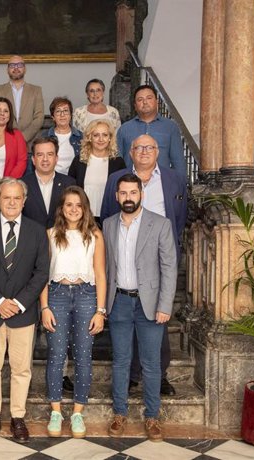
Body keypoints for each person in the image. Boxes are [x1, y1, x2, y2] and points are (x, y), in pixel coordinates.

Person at [100, 134, 187, 396]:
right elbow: (107, 213)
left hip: (158, 254)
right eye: (139, 148)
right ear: (131, 152)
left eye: (150, 147)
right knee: (125, 336)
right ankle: (128, 378)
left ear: (158, 151)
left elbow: (178, 219)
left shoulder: (173, 179)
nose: (145, 152)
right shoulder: (118, 180)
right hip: (125, 255)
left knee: (155, 325)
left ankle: (157, 377)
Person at [0, 178, 50, 443]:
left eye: (17, 198)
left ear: (24, 201)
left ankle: (17, 417)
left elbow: (41, 273)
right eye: (7, 198)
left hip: (22, 313)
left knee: (21, 369)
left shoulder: (38, 232)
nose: (12, 202)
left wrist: (18, 303)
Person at [104, 174, 177, 442]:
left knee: (151, 363)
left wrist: (165, 305)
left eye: (133, 193)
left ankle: (152, 416)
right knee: (121, 361)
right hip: (119, 302)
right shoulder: (109, 225)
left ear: (141, 194)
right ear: (116, 196)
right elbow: (104, 267)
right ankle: (119, 413)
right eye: (123, 193)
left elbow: (169, 268)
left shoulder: (160, 224)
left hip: (150, 304)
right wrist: (104, 306)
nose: (128, 198)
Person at [40, 186, 106, 439]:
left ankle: (77, 412)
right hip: (56, 294)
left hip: (86, 295)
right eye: (69, 205)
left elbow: (100, 273)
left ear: (85, 208)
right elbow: (43, 276)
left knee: (83, 355)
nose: (74, 209)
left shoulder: (95, 236)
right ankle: (56, 411)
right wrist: (44, 307)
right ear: (62, 208)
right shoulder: (50, 234)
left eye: (79, 205)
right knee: (56, 354)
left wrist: (100, 310)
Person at [117, 85, 186, 177]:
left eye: (149, 98)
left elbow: (178, 161)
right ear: (135, 105)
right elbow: (118, 161)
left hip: (162, 183)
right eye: (140, 99)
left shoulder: (170, 127)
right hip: (130, 185)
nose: (145, 102)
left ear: (157, 102)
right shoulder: (124, 129)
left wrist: (180, 186)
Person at [68, 120, 126, 223]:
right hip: (81, 216)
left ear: (110, 138)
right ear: (89, 137)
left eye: (105, 135)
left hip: (110, 217)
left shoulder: (118, 163)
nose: (101, 139)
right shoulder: (79, 160)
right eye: (96, 135)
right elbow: (71, 189)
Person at [21, 136, 76, 229]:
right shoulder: (21, 184)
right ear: (33, 160)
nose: (45, 159)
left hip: (61, 239)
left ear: (56, 158)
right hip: (31, 240)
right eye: (40, 155)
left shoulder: (70, 184)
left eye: (50, 154)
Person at [0, 55, 44, 143]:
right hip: (4, 141)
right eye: (12, 65)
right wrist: (10, 138)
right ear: (7, 70)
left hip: (30, 143)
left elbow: (39, 118)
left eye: (19, 65)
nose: (16, 68)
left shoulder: (36, 90)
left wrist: (22, 137)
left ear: (25, 69)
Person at [46, 96, 82, 175]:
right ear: (53, 117)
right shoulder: (45, 137)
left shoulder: (81, 137)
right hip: (51, 178)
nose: (62, 115)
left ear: (70, 115)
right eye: (58, 111)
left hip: (74, 180)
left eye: (66, 111)